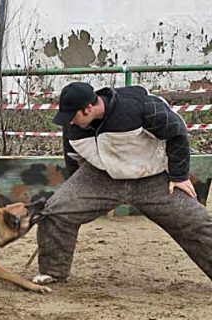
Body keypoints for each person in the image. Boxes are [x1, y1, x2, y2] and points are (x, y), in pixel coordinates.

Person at [32, 81, 212, 285]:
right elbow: (73, 156)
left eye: (73, 116)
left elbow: (176, 130)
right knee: (56, 211)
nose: (69, 123)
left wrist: (179, 176)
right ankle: (53, 272)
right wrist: (75, 190)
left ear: (89, 108)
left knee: (195, 223)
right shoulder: (72, 124)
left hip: (152, 176)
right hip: (101, 176)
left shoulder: (138, 106)